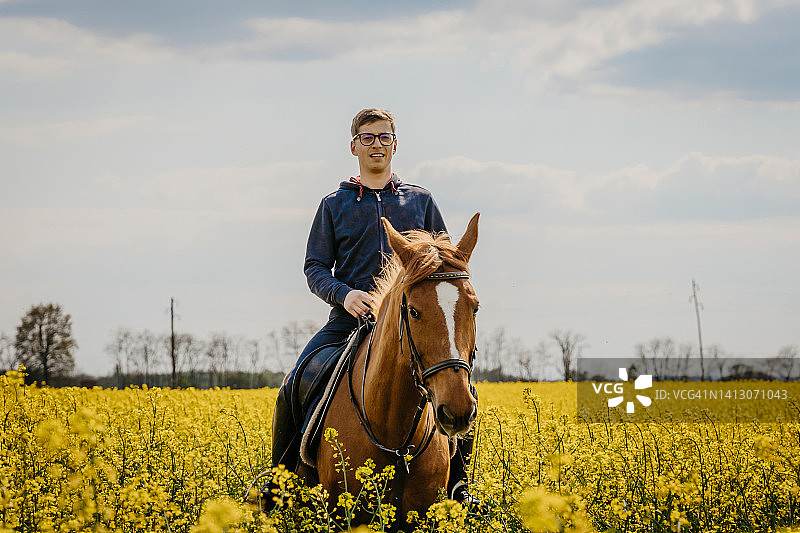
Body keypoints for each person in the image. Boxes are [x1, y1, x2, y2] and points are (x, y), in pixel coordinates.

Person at [264, 108, 479, 509]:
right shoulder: (334, 205)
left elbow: (447, 262)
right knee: (296, 382)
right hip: (349, 321)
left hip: (414, 322)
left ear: (395, 145)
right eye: (368, 137)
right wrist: (344, 295)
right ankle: (279, 481)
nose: (376, 144)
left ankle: (460, 483)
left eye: (383, 137)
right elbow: (314, 267)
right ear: (354, 146)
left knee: (460, 386)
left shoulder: (421, 201)